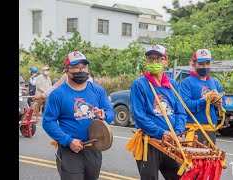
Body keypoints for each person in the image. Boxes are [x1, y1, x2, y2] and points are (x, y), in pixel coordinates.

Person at [42, 51, 115, 180]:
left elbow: (110, 111)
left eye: (84, 67)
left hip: (94, 149)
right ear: (66, 70)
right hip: (70, 150)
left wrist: (104, 115)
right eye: (76, 67)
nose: (81, 70)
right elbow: (48, 122)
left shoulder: (97, 90)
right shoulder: (57, 94)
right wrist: (68, 141)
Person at [127, 44, 187, 180]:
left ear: (166, 61)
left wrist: (176, 133)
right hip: (150, 142)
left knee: (179, 176)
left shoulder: (172, 84)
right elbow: (140, 116)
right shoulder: (139, 84)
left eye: (158, 59)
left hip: (171, 142)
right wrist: (162, 133)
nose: (154, 62)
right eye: (150, 59)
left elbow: (181, 112)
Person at [178, 49, 226, 145]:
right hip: (193, 130)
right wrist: (205, 100)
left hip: (211, 129)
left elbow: (223, 102)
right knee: (193, 159)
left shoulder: (214, 82)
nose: (205, 67)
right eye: (201, 64)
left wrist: (218, 103)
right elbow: (185, 106)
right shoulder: (186, 83)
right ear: (193, 65)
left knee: (210, 159)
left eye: (207, 63)